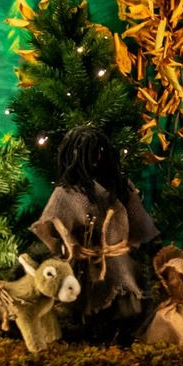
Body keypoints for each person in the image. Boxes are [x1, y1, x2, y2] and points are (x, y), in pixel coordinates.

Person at [31, 123, 158, 337]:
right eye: (87, 152)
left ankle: (122, 331)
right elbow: (53, 228)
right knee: (86, 307)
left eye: (98, 151)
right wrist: (70, 246)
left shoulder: (121, 186)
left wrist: (132, 245)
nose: (95, 158)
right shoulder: (67, 193)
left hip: (118, 260)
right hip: (84, 267)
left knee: (127, 299)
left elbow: (141, 226)